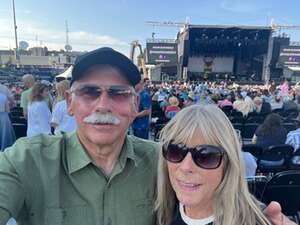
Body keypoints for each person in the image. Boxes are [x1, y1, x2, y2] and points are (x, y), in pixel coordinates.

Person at [0, 47, 295, 225]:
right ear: (70, 103)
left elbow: (218, 190)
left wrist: (262, 217)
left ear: (133, 105)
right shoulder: (26, 160)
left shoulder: (163, 159)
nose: (103, 104)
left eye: (117, 93)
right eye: (90, 91)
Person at [156, 105, 271, 225]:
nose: (186, 167)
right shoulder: (161, 211)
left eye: (206, 156)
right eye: (175, 151)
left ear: (229, 163)